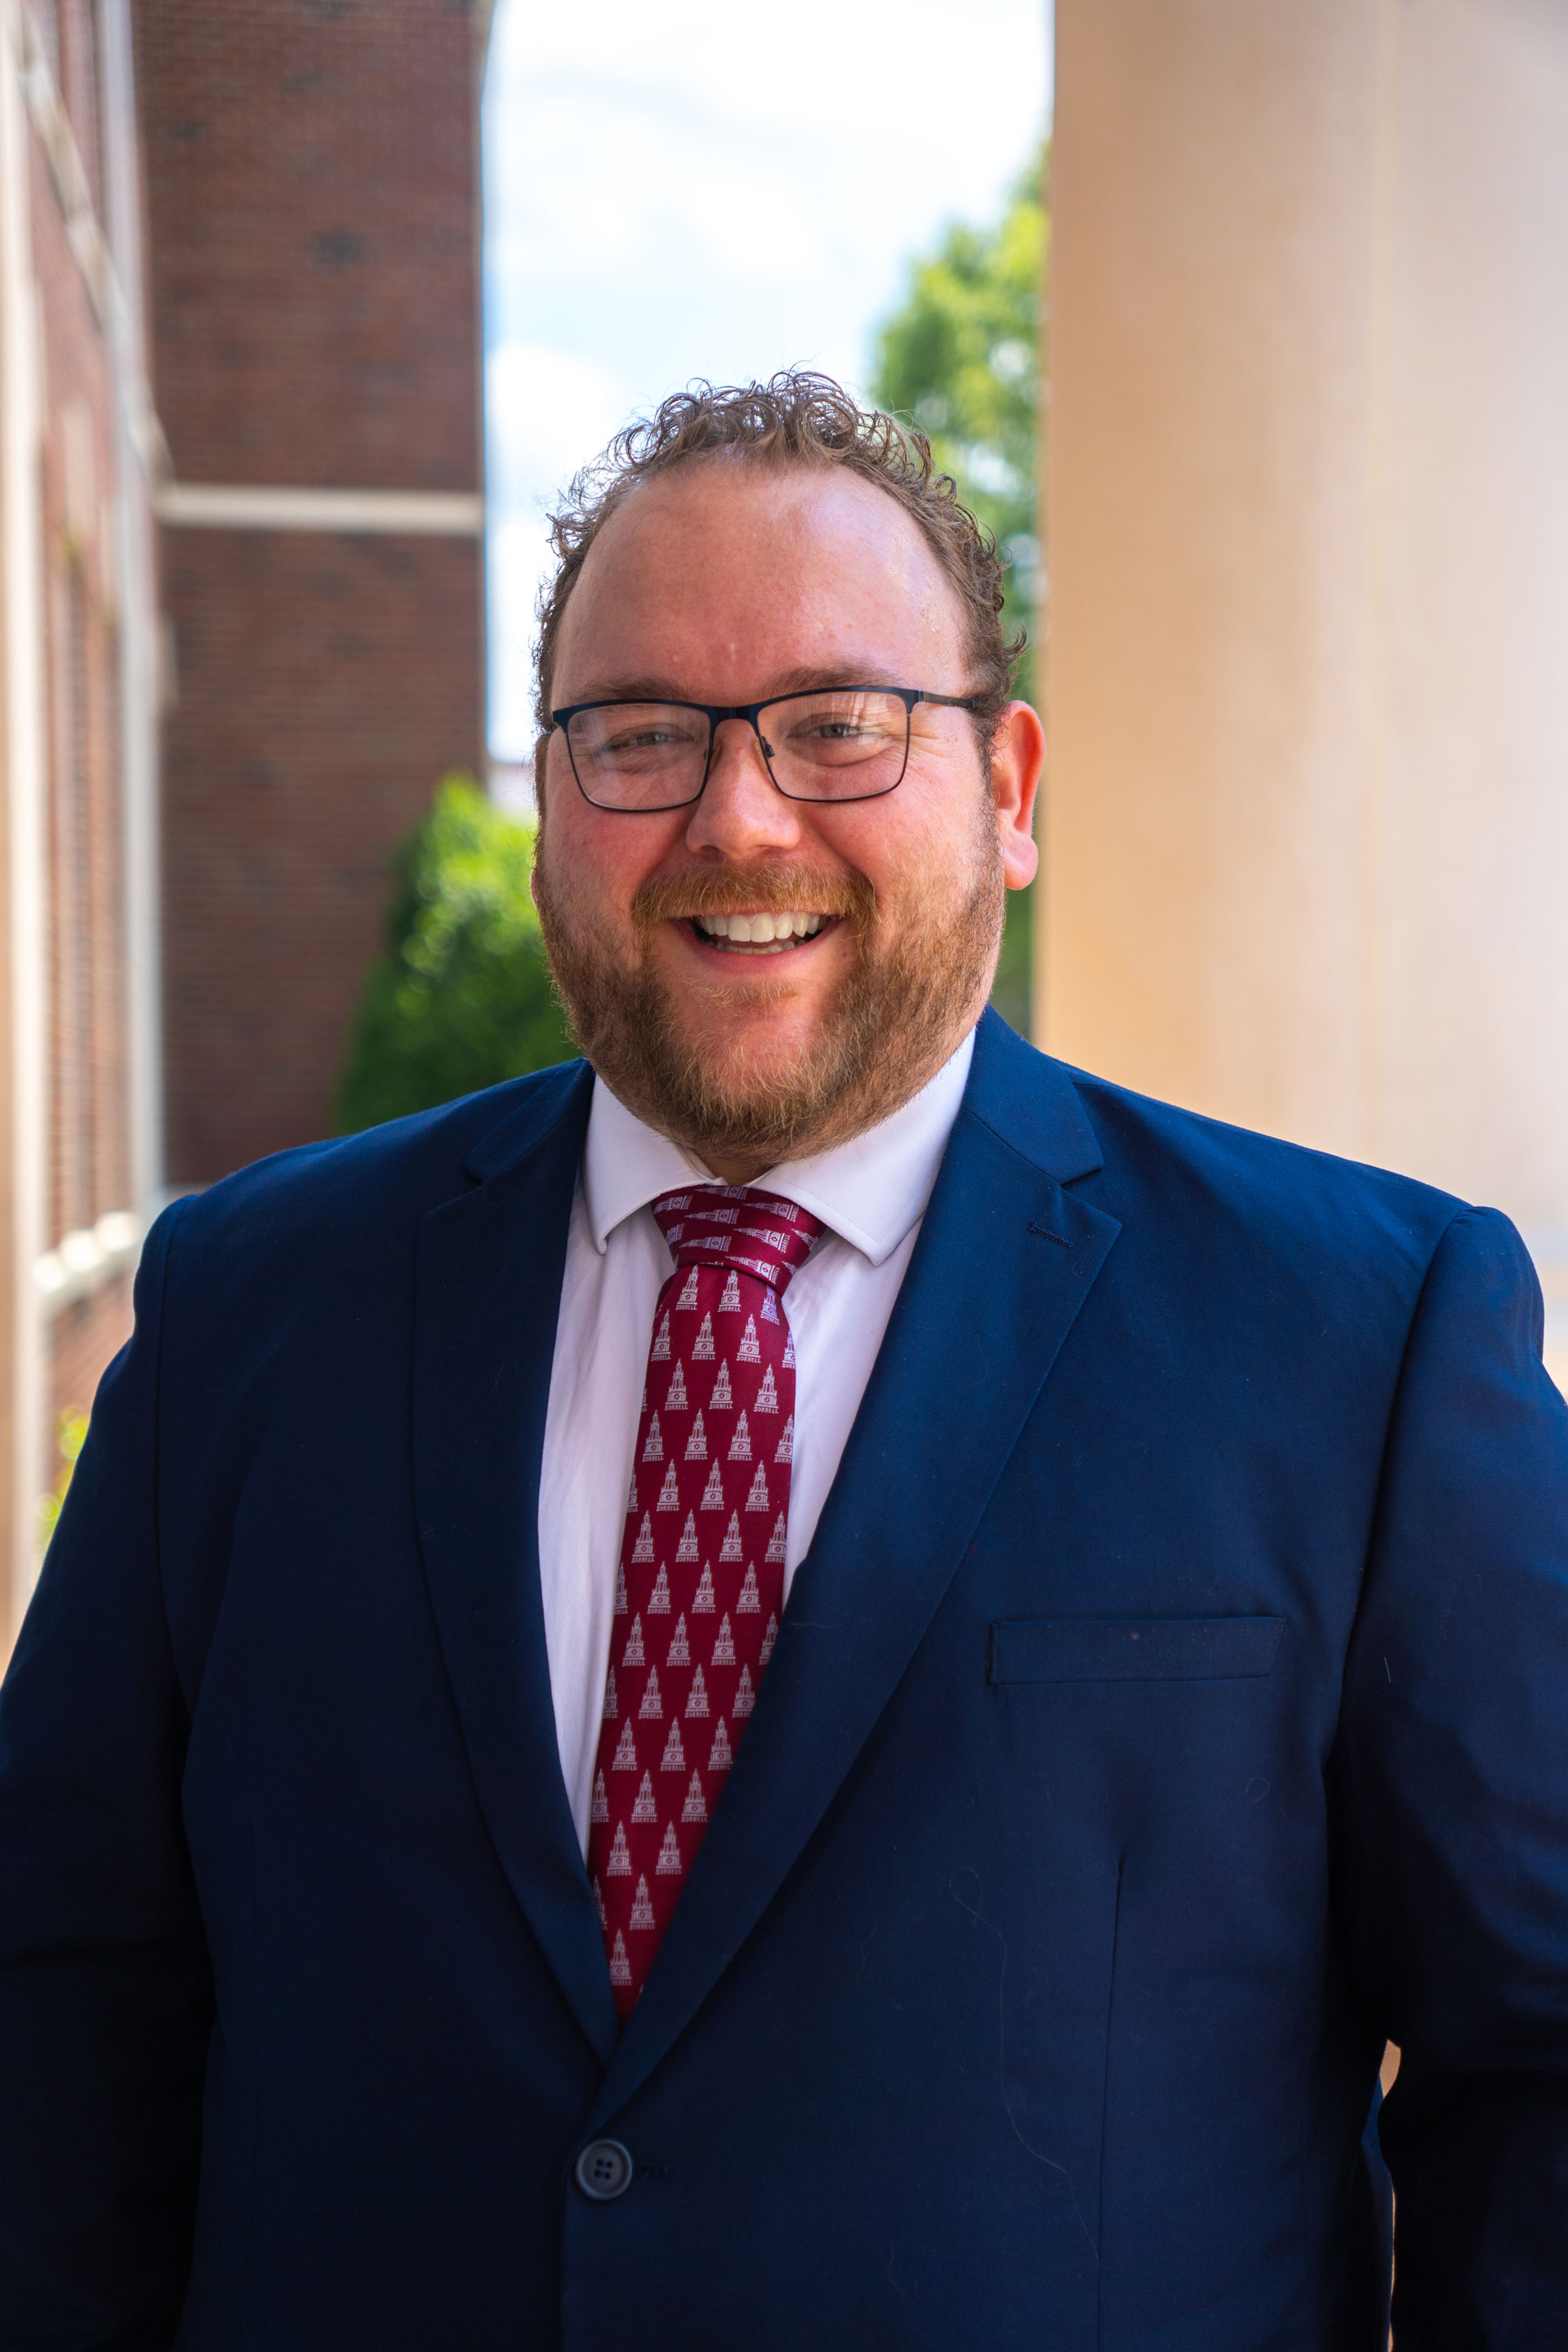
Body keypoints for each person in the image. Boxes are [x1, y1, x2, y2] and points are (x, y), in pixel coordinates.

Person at [2, 371, 1566, 2352]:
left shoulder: (1361, 1338)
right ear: (553, 794)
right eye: (642, 734)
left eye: (840, 724)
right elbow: (63, 2020)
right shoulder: (249, 1315)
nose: (737, 815)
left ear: (1005, 792)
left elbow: (1544, 2056)